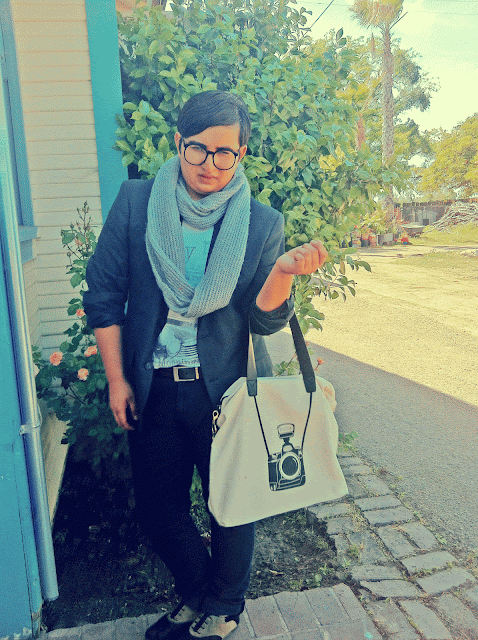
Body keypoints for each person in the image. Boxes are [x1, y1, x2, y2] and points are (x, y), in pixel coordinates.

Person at [83, 90, 327, 640]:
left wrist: (282, 273)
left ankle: (223, 609)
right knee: (158, 509)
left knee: (232, 504)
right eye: (197, 149)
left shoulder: (262, 223)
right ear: (178, 143)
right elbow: (104, 294)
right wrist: (117, 379)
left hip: (225, 392)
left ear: (241, 154)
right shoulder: (137, 201)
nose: (209, 165)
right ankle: (197, 593)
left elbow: (262, 321)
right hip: (153, 386)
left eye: (224, 154)